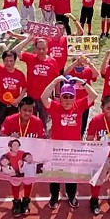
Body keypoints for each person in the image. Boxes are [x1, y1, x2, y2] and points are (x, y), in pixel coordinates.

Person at [41, 78, 98, 208]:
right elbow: (43, 97)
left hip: (73, 148)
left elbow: (94, 95)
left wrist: (81, 82)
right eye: (65, 96)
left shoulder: (79, 106)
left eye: (70, 97)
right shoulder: (55, 107)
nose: (67, 99)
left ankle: (71, 195)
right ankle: (54, 196)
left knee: (72, 174)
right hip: (57, 148)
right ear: (60, 98)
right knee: (55, 174)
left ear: (74, 98)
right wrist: (54, 82)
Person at [0, 96, 44, 215]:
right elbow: (1, 136)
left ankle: (26, 201)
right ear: (19, 109)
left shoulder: (37, 122)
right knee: (15, 181)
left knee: (28, 181)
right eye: (25, 110)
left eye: (30, 110)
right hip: (15, 158)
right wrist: (10, 137)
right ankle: (16, 201)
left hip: (29, 159)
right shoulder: (10, 120)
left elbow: (42, 140)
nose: (27, 113)